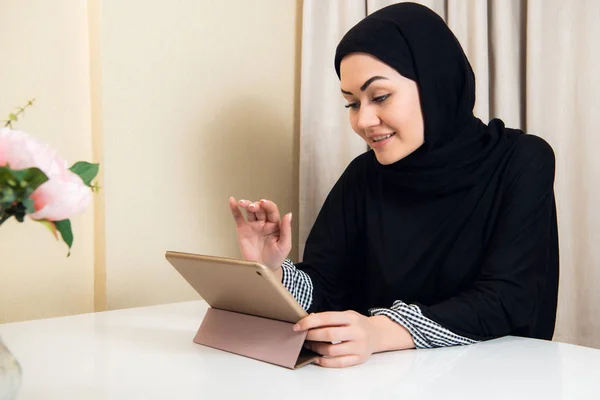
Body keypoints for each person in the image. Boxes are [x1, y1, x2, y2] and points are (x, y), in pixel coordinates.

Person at [229, 2, 559, 368]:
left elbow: (508, 299)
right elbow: (327, 287)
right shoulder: (363, 176)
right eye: (351, 104)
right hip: (380, 380)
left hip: (496, 377)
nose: (364, 120)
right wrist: (273, 271)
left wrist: (379, 332)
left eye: (380, 97)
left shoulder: (521, 160)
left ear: (435, 82)